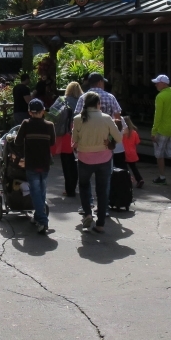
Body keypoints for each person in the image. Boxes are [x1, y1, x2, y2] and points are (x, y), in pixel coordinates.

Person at [71, 91, 123, 234]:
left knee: (83, 185)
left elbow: (75, 139)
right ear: (98, 104)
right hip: (104, 158)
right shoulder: (106, 118)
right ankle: (100, 223)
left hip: (84, 158)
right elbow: (119, 138)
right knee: (102, 190)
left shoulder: (78, 119)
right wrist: (109, 140)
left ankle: (88, 213)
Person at [15, 98, 56, 234]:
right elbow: (52, 143)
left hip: (31, 163)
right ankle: (38, 216)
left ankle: (43, 221)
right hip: (45, 163)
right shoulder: (50, 125)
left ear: (29, 112)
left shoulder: (26, 124)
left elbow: (18, 141)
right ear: (43, 111)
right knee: (42, 191)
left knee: (35, 192)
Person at [149, 74, 171, 184]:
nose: (156, 85)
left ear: (163, 83)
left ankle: (162, 177)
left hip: (161, 130)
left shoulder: (160, 96)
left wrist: (154, 131)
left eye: (157, 83)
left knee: (159, 155)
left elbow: (157, 116)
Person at [55, 82, 83, 197]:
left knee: (66, 162)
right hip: (80, 133)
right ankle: (75, 186)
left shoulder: (62, 100)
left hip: (66, 134)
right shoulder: (82, 101)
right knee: (76, 162)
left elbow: (53, 114)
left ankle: (69, 189)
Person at [119, 115, 145, 188]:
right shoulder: (134, 132)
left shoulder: (122, 133)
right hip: (132, 153)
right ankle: (139, 179)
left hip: (123, 152)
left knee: (124, 168)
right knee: (133, 168)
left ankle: (128, 180)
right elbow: (137, 142)